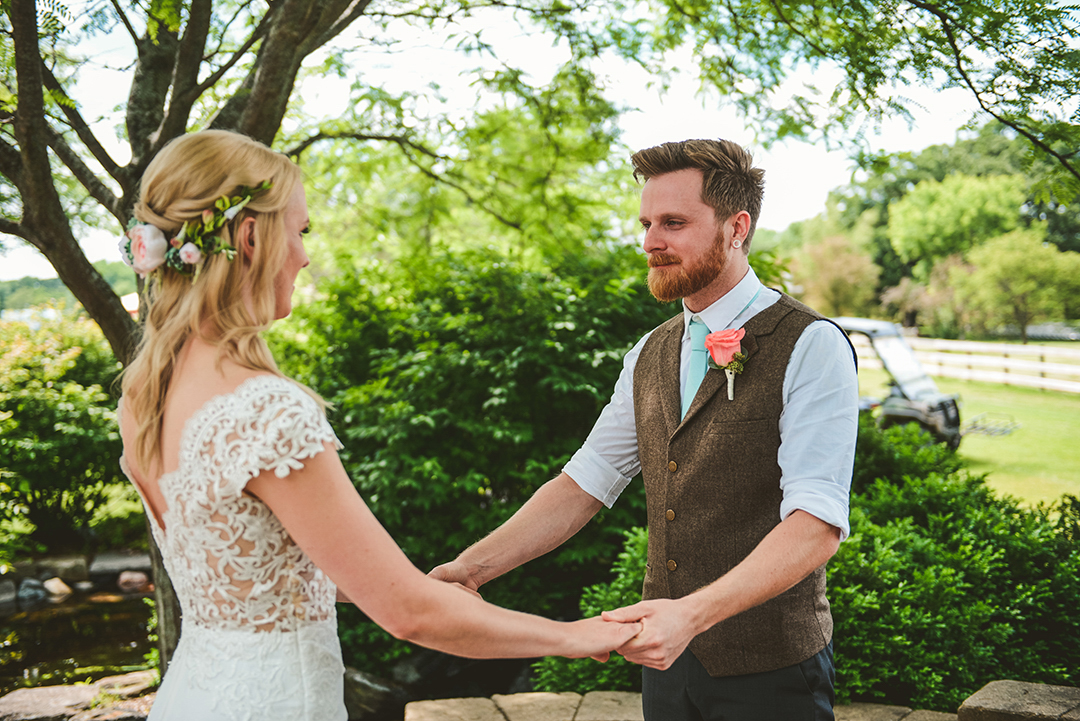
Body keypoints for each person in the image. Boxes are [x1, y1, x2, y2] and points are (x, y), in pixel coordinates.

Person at [116, 129, 641, 721]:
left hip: (193, 694)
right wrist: (580, 636)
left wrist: (400, 584)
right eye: (300, 230)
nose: (305, 254)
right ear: (249, 236)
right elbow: (409, 615)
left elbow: (255, 570)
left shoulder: (146, 397)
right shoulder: (263, 409)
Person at [430, 138, 859, 721]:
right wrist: (467, 571)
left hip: (772, 668)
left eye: (674, 223)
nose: (651, 242)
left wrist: (692, 614)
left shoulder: (812, 344)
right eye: (647, 222)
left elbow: (816, 525)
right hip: (664, 662)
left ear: (737, 228)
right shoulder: (649, 353)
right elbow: (585, 482)